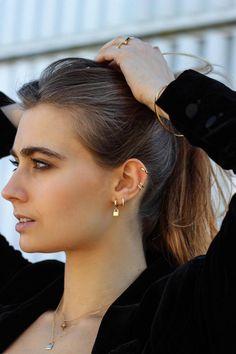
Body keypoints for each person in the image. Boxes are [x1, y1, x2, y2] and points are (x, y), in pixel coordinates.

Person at [0, 36, 234, 354]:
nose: (9, 191)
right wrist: (30, 118)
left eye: (41, 163)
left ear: (125, 181)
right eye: (17, 163)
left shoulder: (192, 316)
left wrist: (170, 94)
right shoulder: (16, 297)